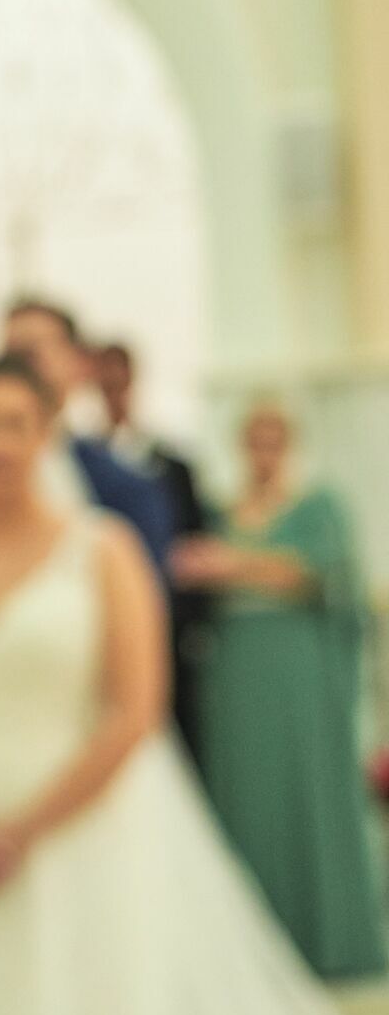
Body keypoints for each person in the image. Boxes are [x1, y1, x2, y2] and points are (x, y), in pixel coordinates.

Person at [0, 355, 361, 1015]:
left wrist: (24, 828)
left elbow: (135, 710)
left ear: (46, 434)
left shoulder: (103, 550)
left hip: (74, 821)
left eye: (15, 424)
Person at [172, 404, 388, 981]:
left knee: (306, 792)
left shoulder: (319, 507)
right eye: (255, 440)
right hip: (236, 676)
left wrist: (233, 566)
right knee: (247, 798)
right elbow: (194, 574)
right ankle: (255, 951)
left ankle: (322, 939)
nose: (264, 452)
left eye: (275, 440)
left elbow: (322, 577)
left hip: (299, 674)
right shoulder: (220, 510)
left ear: (289, 444)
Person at [91, 342, 215, 763]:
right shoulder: (83, 465)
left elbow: (195, 542)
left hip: (167, 624)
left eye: (119, 376)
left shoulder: (173, 466)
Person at [0, 299, 176, 568]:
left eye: (32, 354)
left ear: (75, 362)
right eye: (9, 356)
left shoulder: (127, 489)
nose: (19, 370)